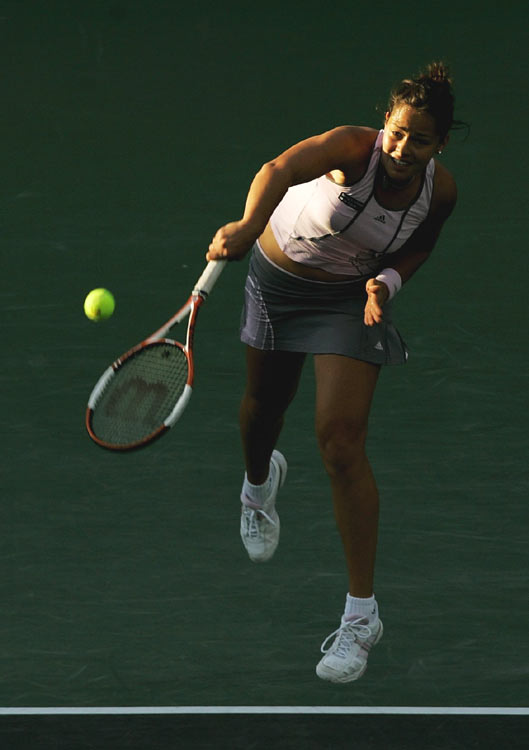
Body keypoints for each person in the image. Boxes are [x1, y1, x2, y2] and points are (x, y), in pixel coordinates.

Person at [207, 62, 458, 683]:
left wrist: (388, 281)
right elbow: (279, 170)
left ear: (440, 145)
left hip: (347, 301)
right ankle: (258, 485)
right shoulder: (354, 147)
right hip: (276, 281)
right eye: (397, 133)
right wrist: (245, 224)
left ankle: (360, 617)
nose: (402, 149)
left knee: (340, 442)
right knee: (264, 409)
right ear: (386, 124)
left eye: (419, 141)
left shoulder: (440, 191)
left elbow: (420, 243)